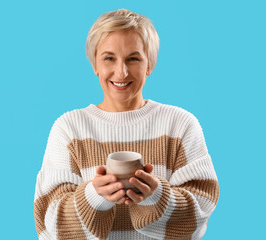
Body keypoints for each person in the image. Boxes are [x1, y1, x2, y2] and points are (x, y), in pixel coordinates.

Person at [34, 9, 219, 240]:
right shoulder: (69, 129)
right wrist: (95, 195)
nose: (121, 72)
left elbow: (201, 212)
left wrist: (156, 195)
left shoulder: (180, 125)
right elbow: (50, 223)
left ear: (149, 64)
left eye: (133, 58)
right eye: (109, 58)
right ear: (95, 64)